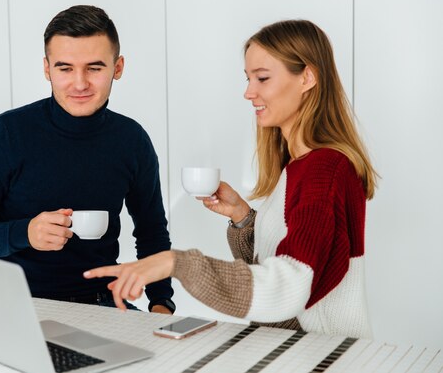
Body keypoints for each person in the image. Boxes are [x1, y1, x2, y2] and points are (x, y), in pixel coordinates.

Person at [85, 19, 378, 338]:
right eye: (248, 78)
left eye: (262, 78)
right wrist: (243, 219)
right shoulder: (300, 165)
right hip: (294, 349)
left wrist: (177, 263)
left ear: (307, 77)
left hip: (323, 357)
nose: (249, 92)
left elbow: (290, 287)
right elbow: (283, 259)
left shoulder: (325, 168)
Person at [0, 5, 175, 315]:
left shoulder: (131, 139)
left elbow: (151, 232)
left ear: (118, 67)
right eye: (65, 68)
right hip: (20, 307)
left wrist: (161, 303)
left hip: (105, 305)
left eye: (94, 68)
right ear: (47, 69)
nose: (79, 83)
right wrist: (25, 232)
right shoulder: (5, 133)